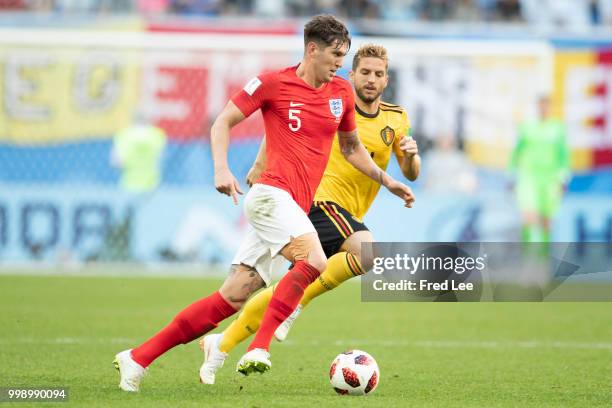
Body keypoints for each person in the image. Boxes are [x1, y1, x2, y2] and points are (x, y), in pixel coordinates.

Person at [113, 15, 414, 392]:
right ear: (312, 49)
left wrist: (389, 181)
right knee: (315, 260)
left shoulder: (339, 94)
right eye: (336, 55)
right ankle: (260, 346)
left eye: (344, 55)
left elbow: (351, 148)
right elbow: (222, 121)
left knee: (232, 297)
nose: (340, 63)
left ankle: (138, 358)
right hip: (270, 195)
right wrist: (221, 168)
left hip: (294, 206)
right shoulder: (274, 83)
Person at [198, 43, 420, 384]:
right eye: (364, 72)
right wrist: (261, 162)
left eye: (378, 74)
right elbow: (283, 124)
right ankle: (291, 310)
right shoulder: (332, 99)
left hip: (349, 211)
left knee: (288, 284)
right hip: (316, 199)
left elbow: (411, 171)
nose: (371, 80)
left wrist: (410, 156)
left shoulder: (395, 117)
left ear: (386, 79)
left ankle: (222, 343)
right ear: (352, 74)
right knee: (366, 252)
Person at [509, 95, 570, 244]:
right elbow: (516, 151)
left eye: (547, 106)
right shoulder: (527, 127)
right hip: (529, 176)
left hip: (550, 178)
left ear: (550, 108)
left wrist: (563, 178)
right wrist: (511, 175)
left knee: (546, 219)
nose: (544, 109)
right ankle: (527, 257)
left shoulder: (557, 128)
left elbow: (563, 154)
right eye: (541, 105)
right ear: (537, 107)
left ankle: (544, 258)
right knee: (528, 215)